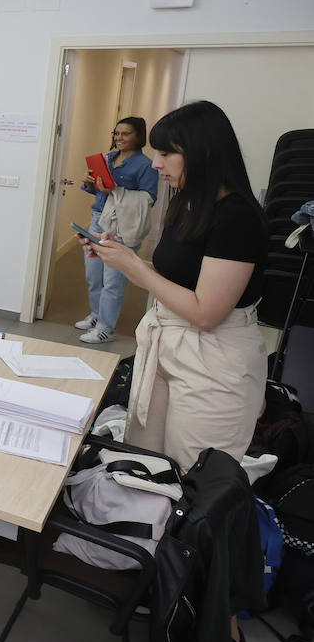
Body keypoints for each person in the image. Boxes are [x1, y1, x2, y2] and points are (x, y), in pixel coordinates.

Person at [81, 101, 266, 469]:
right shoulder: (188, 204)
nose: (155, 163)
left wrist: (134, 265)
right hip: (167, 345)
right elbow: (176, 278)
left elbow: (206, 313)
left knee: (194, 472)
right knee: (147, 463)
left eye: (166, 153)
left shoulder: (238, 217)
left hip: (212, 357)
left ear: (203, 152)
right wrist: (120, 257)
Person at [74, 117, 160, 344]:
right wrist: (90, 182)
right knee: (93, 275)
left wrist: (116, 191)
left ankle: (105, 328)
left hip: (122, 225)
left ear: (139, 136)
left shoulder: (146, 166)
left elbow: (149, 199)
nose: (119, 138)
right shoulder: (108, 158)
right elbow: (99, 192)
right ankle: (96, 315)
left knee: (113, 280)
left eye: (125, 134)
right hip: (97, 220)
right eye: (116, 133)